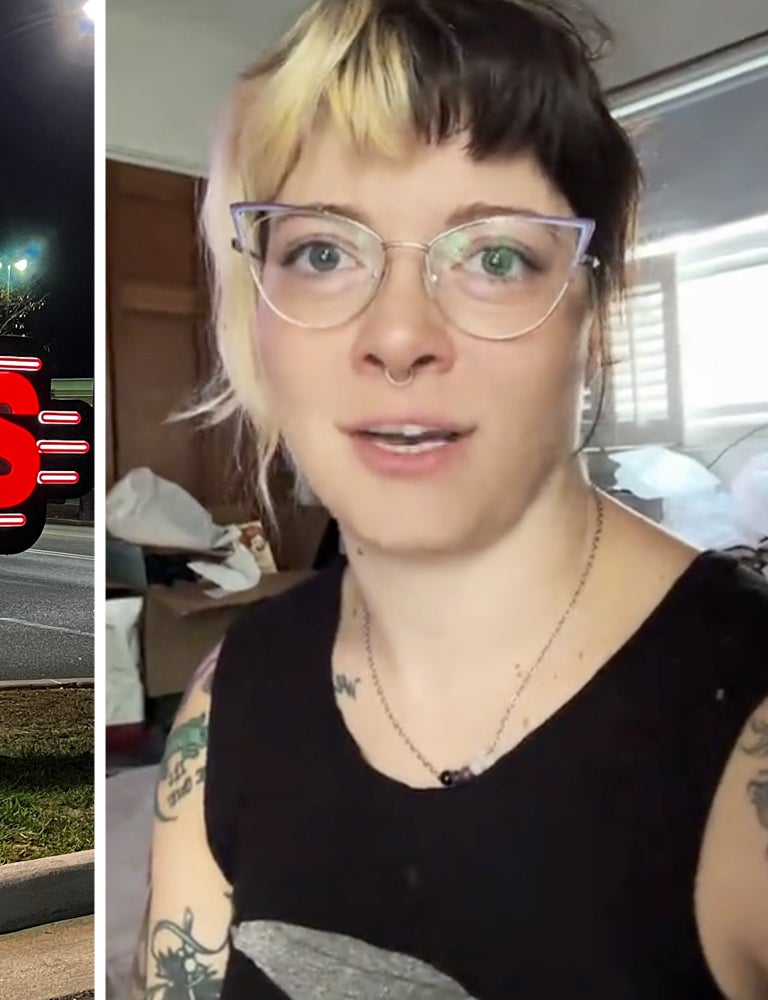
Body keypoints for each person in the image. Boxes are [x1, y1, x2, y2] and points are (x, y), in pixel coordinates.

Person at [143, 0, 768, 996]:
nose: (397, 334)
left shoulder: (744, 730)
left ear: (591, 313)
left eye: (493, 256)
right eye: (320, 251)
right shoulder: (229, 697)